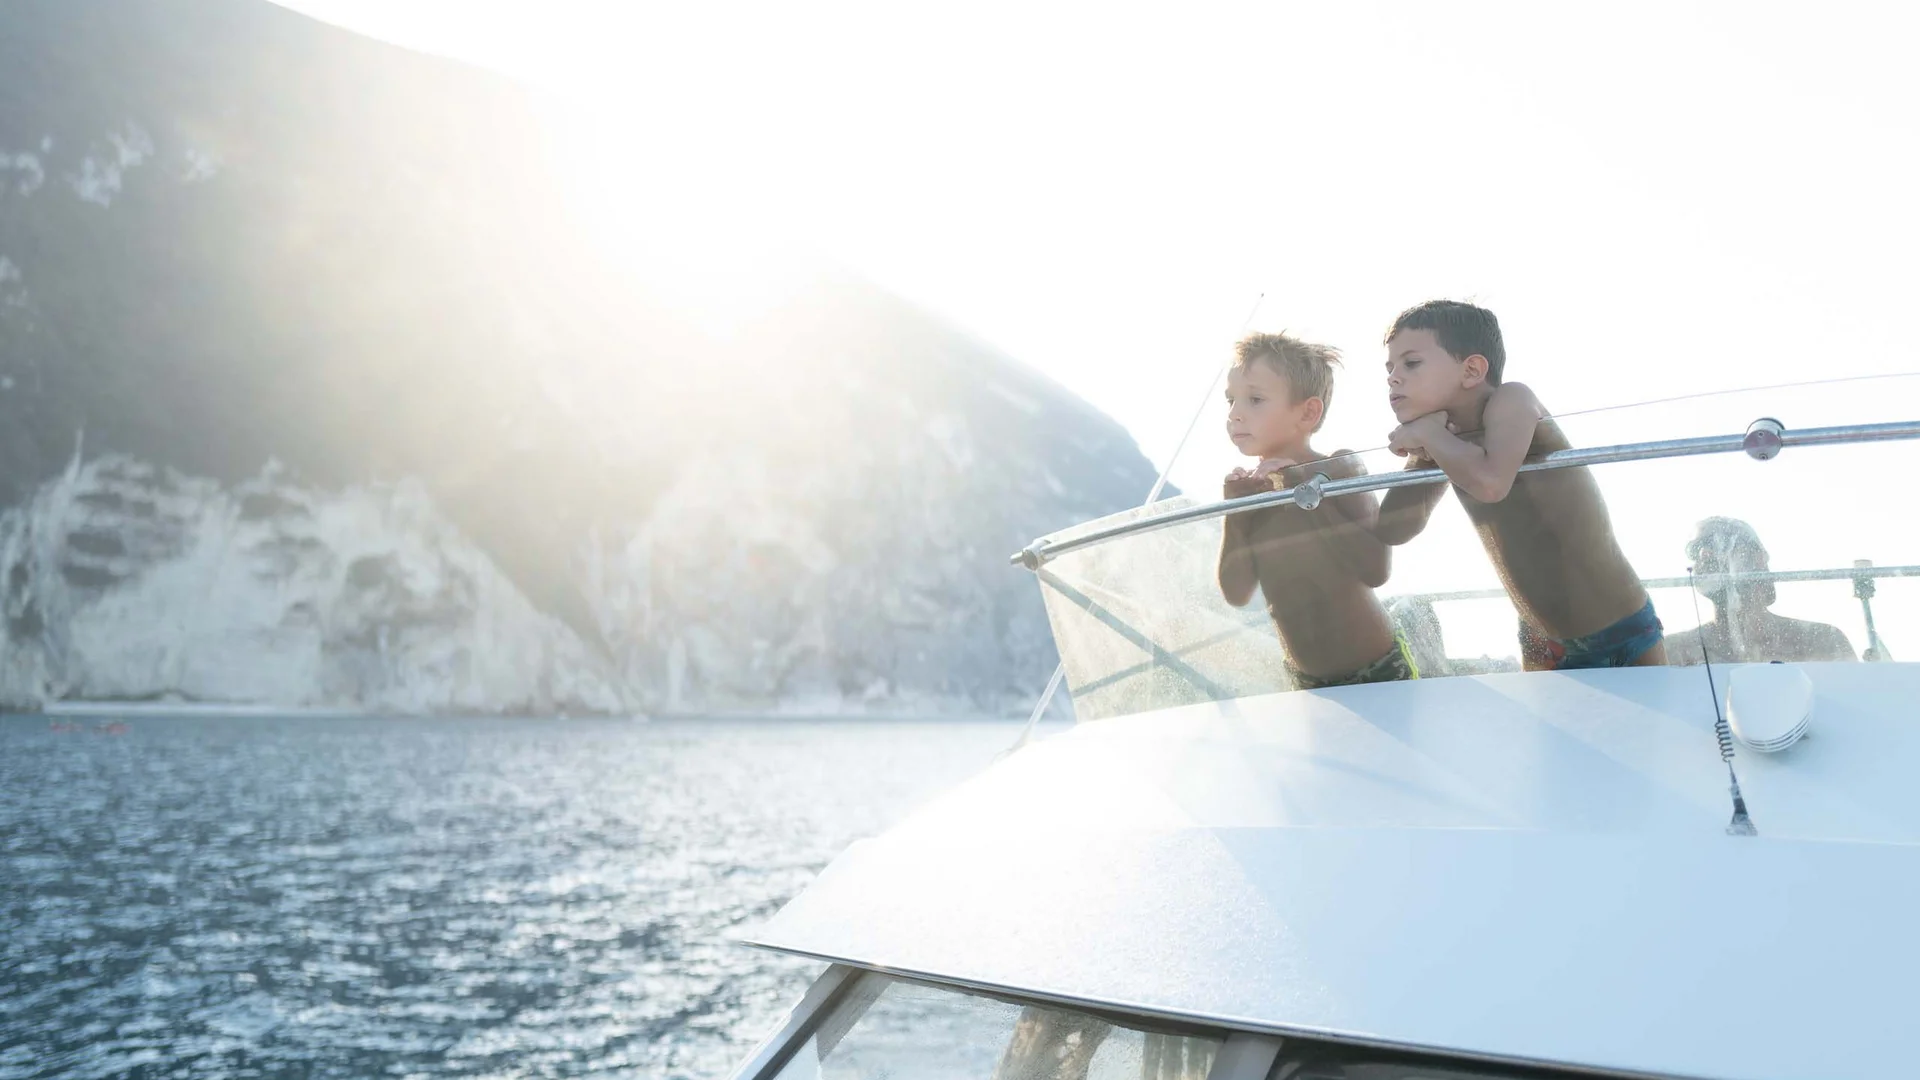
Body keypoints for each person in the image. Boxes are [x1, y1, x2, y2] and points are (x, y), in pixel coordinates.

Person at [1374, 300, 1666, 669]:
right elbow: (1394, 529)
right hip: (1541, 638)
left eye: (1411, 363)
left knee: (1644, 728)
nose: (1393, 376)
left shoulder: (1512, 399)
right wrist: (1423, 452)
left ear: (1473, 370)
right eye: (1389, 367)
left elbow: (1492, 483)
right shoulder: (1444, 442)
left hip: (1618, 629)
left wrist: (1431, 436)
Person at [1215, 331, 1413, 688]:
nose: (1235, 414)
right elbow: (1236, 594)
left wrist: (1300, 490)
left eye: (1254, 399)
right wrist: (1237, 512)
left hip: (1377, 669)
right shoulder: (1254, 491)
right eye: (1230, 401)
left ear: (1307, 412)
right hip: (1306, 681)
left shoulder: (1339, 468)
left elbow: (1376, 570)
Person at [1666, 516, 1857, 665]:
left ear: (1757, 557)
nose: (1703, 554)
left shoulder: (1822, 640)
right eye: (1695, 549)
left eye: (1718, 542)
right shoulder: (1674, 650)